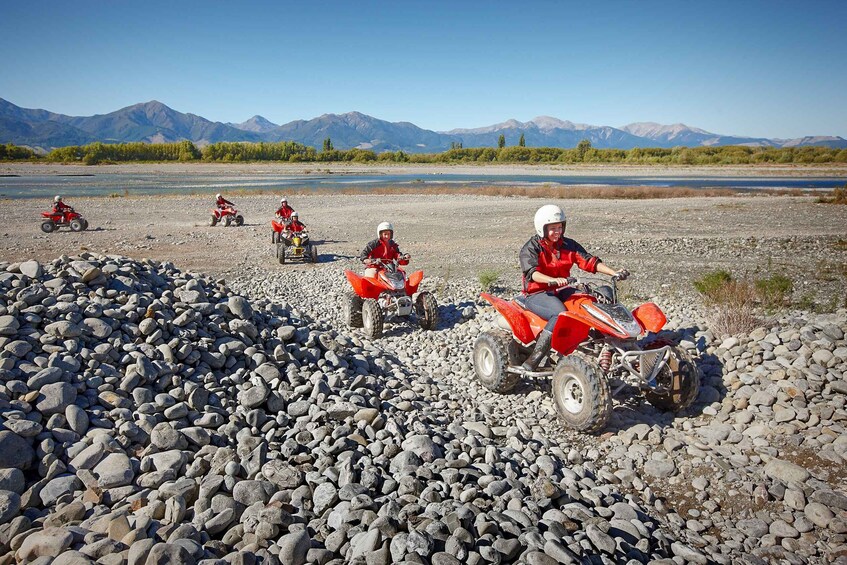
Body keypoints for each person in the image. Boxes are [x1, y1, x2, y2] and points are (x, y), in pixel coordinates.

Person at [518, 204, 628, 371]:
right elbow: (532, 274)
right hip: (537, 293)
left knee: (591, 300)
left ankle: (603, 344)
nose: (557, 232)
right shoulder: (531, 248)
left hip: (561, 290)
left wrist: (613, 272)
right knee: (559, 313)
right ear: (542, 228)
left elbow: (589, 261)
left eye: (560, 227)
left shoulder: (568, 245)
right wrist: (553, 281)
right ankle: (536, 357)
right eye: (553, 228)